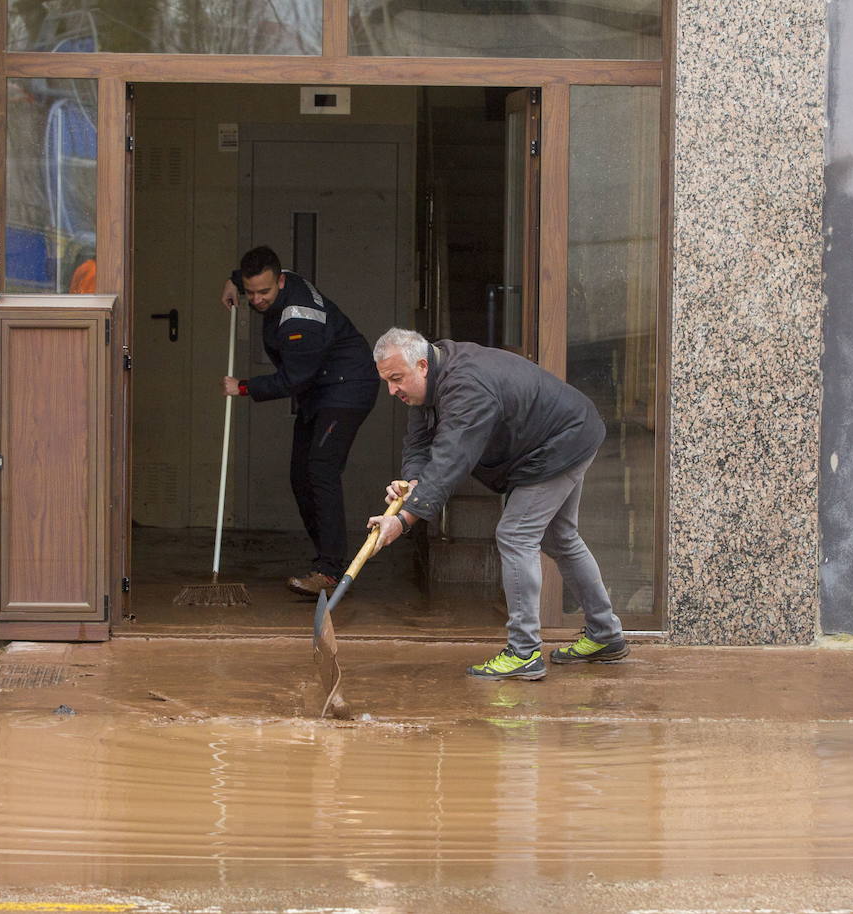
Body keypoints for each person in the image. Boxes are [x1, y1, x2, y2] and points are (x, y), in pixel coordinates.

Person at [366, 327, 627, 680]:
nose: (392, 390)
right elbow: (418, 443)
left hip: (561, 441)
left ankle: (523, 653)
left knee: (516, 535)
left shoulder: (466, 387)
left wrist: (404, 520)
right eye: (387, 380)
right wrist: (412, 482)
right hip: (559, 436)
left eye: (396, 379)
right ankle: (605, 635)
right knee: (559, 538)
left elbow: (449, 461)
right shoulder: (429, 382)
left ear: (423, 365)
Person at [220, 246, 379, 596]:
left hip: (345, 388)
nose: (258, 300)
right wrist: (233, 282)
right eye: (251, 292)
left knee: (320, 470)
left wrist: (244, 386)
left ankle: (330, 570)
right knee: (300, 475)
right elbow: (252, 275)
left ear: (280, 281)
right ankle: (326, 558)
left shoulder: (299, 320)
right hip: (322, 390)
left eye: (264, 292)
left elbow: (294, 379)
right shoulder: (281, 278)